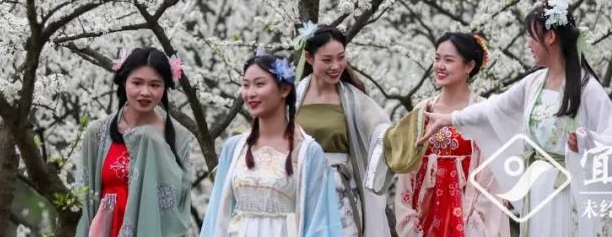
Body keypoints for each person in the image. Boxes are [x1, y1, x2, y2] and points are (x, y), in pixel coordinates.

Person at [417, 0, 612, 237]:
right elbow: (493, 108)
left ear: (550, 37)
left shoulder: (586, 87)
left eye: (531, 35)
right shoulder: (534, 83)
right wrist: (451, 118)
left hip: (569, 192)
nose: (527, 43)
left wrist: (586, 142)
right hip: (538, 190)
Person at [378, 32, 509, 237]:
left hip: (467, 214)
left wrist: (476, 223)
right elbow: (407, 169)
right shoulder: (423, 111)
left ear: (469, 66)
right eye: (437, 58)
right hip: (425, 215)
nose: (440, 65)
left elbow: (492, 176)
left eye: (448, 60)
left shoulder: (482, 113)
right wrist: (409, 221)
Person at [201, 51, 344, 237]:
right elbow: (216, 214)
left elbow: (319, 222)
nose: (250, 93)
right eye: (245, 85)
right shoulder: (234, 148)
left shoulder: (307, 152)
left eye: (259, 84)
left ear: (284, 89)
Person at [76, 47, 197, 237]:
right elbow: (83, 197)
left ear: (165, 87)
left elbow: (180, 201)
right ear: (124, 82)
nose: (145, 92)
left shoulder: (178, 137)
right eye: (137, 83)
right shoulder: (97, 133)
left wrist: (154, 142)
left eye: (155, 85)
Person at [294, 24, 392, 237]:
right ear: (309, 58)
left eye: (341, 57)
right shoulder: (293, 97)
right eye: (327, 60)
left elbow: (382, 131)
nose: (336, 66)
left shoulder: (354, 99)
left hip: (339, 189)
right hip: (299, 186)